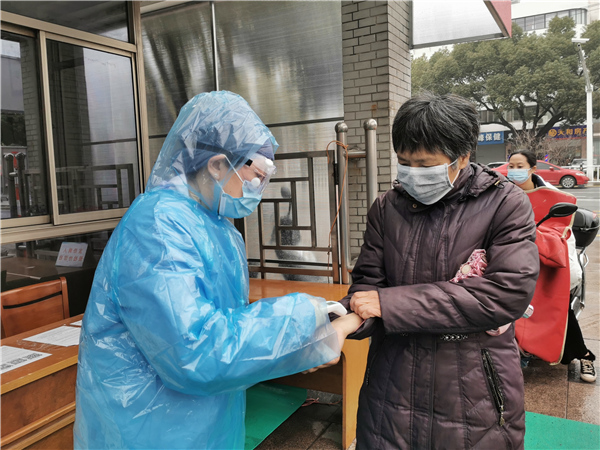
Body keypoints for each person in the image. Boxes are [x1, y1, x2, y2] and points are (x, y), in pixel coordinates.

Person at [74, 91, 362, 449]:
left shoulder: (219, 228)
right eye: (256, 175)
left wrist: (310, 333)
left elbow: (226, 327)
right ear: (217, 165)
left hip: (207, 416)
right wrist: (303, 319)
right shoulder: (157, 225)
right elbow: (195, 351)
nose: (259, 189)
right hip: (149, 425)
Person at [338, 93, 540, 449]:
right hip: (391, 385)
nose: (413, 174)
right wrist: (340, 321)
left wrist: (390, 305)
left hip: (472, 388)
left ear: (462, 156)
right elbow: (368, 289)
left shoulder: (505, 204)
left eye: (425, 163)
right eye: (404, 162)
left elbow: (505, 294)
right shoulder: (386, 208)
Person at [507, 150, 596, 382]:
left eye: (520, 166)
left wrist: (529, 234)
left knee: (557, 307)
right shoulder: (502, 193)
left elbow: (558, 233)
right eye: (511, 166)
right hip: (509, 261)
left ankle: (585, 355)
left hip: (547, 263)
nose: (514, 171)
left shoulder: (554, 197)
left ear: (533, 169)